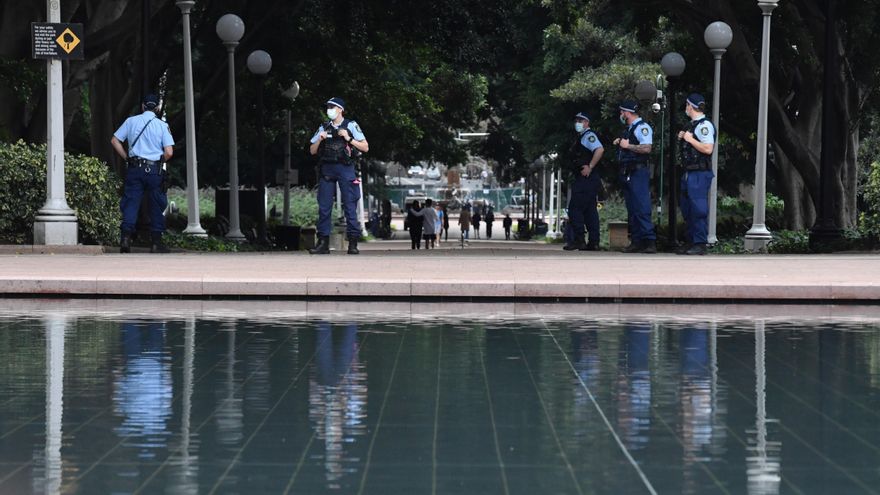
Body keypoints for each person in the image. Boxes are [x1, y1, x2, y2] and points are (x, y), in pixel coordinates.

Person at [111, 94, 174, 254]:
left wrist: (127, 157)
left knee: (131, 202)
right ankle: (155, 243)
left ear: (143, 106)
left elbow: (114, 140)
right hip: (154, 171)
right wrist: (159, 160)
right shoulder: (162, 125)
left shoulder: (131, 121)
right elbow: (169, 152)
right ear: (157, 108)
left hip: (135, 167)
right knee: (156, 204)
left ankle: (125, 239)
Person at [308, 97, 369, 255]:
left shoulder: (350, 125)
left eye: (332, 107)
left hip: (345, 168)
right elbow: (312, 151)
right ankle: (323, 243)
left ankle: (353, 243)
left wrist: (349, 138)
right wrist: (320, 140)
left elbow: (365, 147)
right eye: (328, 106)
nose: (330, 109)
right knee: (324, 207)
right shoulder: (324, 127)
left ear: (340, 109)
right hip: (327, 168)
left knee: (350, 206)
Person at [613, 100, 657, 253]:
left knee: (642, 206)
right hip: (629, 173)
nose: (621, 115)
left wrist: (628, 146)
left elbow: (647, 148)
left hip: (638, 172)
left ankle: (649, 241)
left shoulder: (642, 127)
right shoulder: (630, 129)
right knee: (632, 208)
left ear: (628, 112)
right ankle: (636, 241)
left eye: (622, 112)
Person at [677, 93, 716, 255]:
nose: (685, 108)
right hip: (689, 172)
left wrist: (689, 139)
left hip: (699, 173)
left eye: (686, 105)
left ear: (690, 106)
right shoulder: (693, 126)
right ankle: (691, 241)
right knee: (687, 208)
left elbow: (708, 149)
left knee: (698, 208)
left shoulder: (704, 125)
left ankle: (700, 243)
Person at [564, 112, 604, 251]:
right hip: (587, 179)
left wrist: (590, 167)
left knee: (575, 209)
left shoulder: (589, 136)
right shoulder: (581, 137)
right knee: (589, 211)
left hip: (586, 179)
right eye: (576, 120)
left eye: (581, 120)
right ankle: (594, 242)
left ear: (587, 123)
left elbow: (599, 150)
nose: (578, 123)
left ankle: (579, 240)